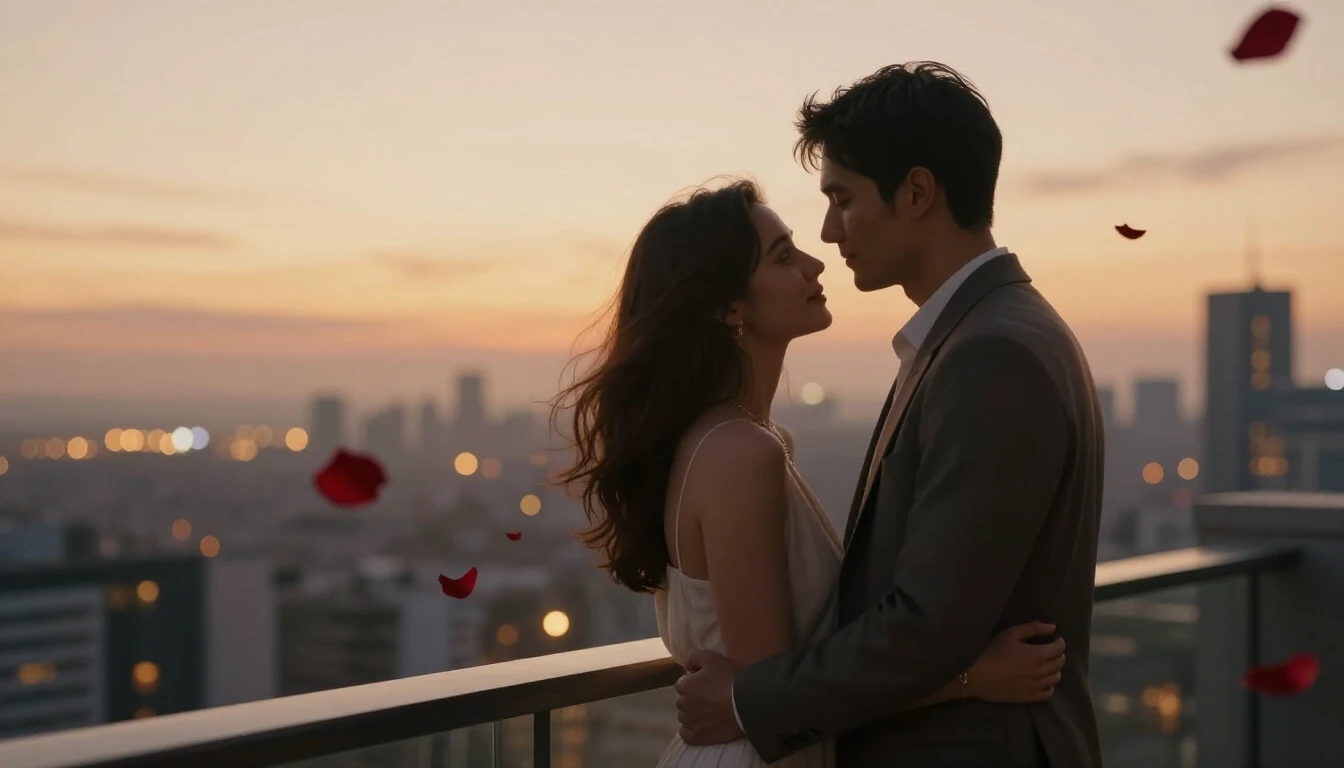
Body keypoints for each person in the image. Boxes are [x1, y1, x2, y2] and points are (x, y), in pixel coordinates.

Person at [671, 61, 1106, 768]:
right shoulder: (988, 334)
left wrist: (750, 700)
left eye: (841, 198)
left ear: (917, 192)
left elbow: (926, 625)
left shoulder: (990, 353)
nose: (829, 230)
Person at [551, 176, 1068, 768]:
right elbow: (771, 697)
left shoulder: (745, 442)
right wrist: (972, 678)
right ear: (729, 307)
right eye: (782, 256)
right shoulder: (740, 454)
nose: (814, 263)